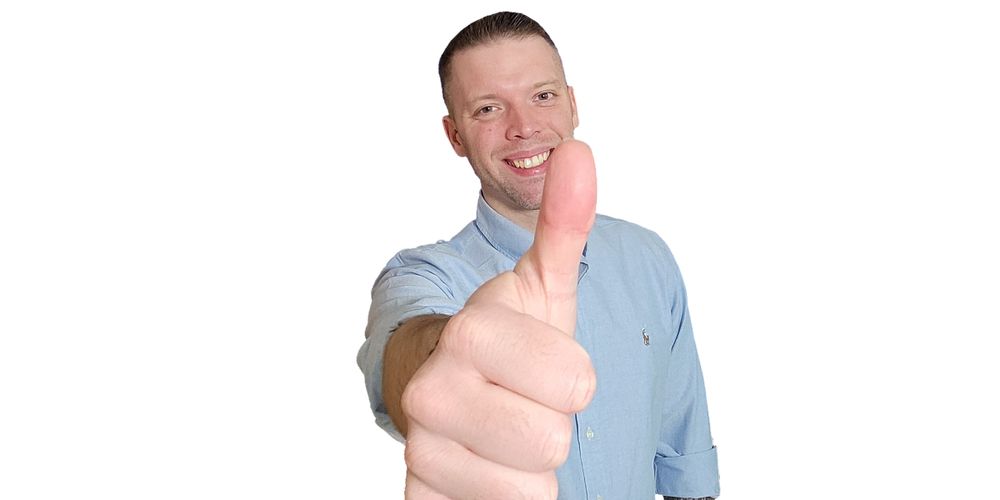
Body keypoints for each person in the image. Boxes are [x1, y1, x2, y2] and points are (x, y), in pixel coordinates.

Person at [357, 11, 720, 500]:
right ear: (455, 135)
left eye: (543, 96)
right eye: (488, 108)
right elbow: (405, 346)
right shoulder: (424, 275)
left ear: (572, 105)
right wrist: (449, 353)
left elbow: (684, 459)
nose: (524, 127)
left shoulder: (649, 259)